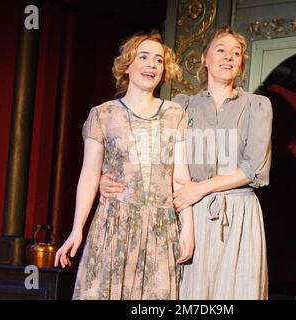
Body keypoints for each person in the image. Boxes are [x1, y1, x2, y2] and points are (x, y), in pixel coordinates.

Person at [99, 26, 272, 299]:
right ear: (204, 59)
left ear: (241, 64)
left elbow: (255, 168)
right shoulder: (181, 107)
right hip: (191, 214)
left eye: (236, 53)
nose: (228, 57)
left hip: (239, 215)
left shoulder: (256, 106)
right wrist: (108, 178)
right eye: (221, 50)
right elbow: (155, 161)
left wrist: (200, 188)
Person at [54, 31, 195, 300]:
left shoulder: (175, 114)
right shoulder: (103, 114)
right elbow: (89, 175)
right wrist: (76, 228)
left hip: (160, 229)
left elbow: (180, 177)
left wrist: (187, 227)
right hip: (114, 225)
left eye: (158, 60)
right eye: (143, 57)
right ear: (127, 65)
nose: (151, 65)